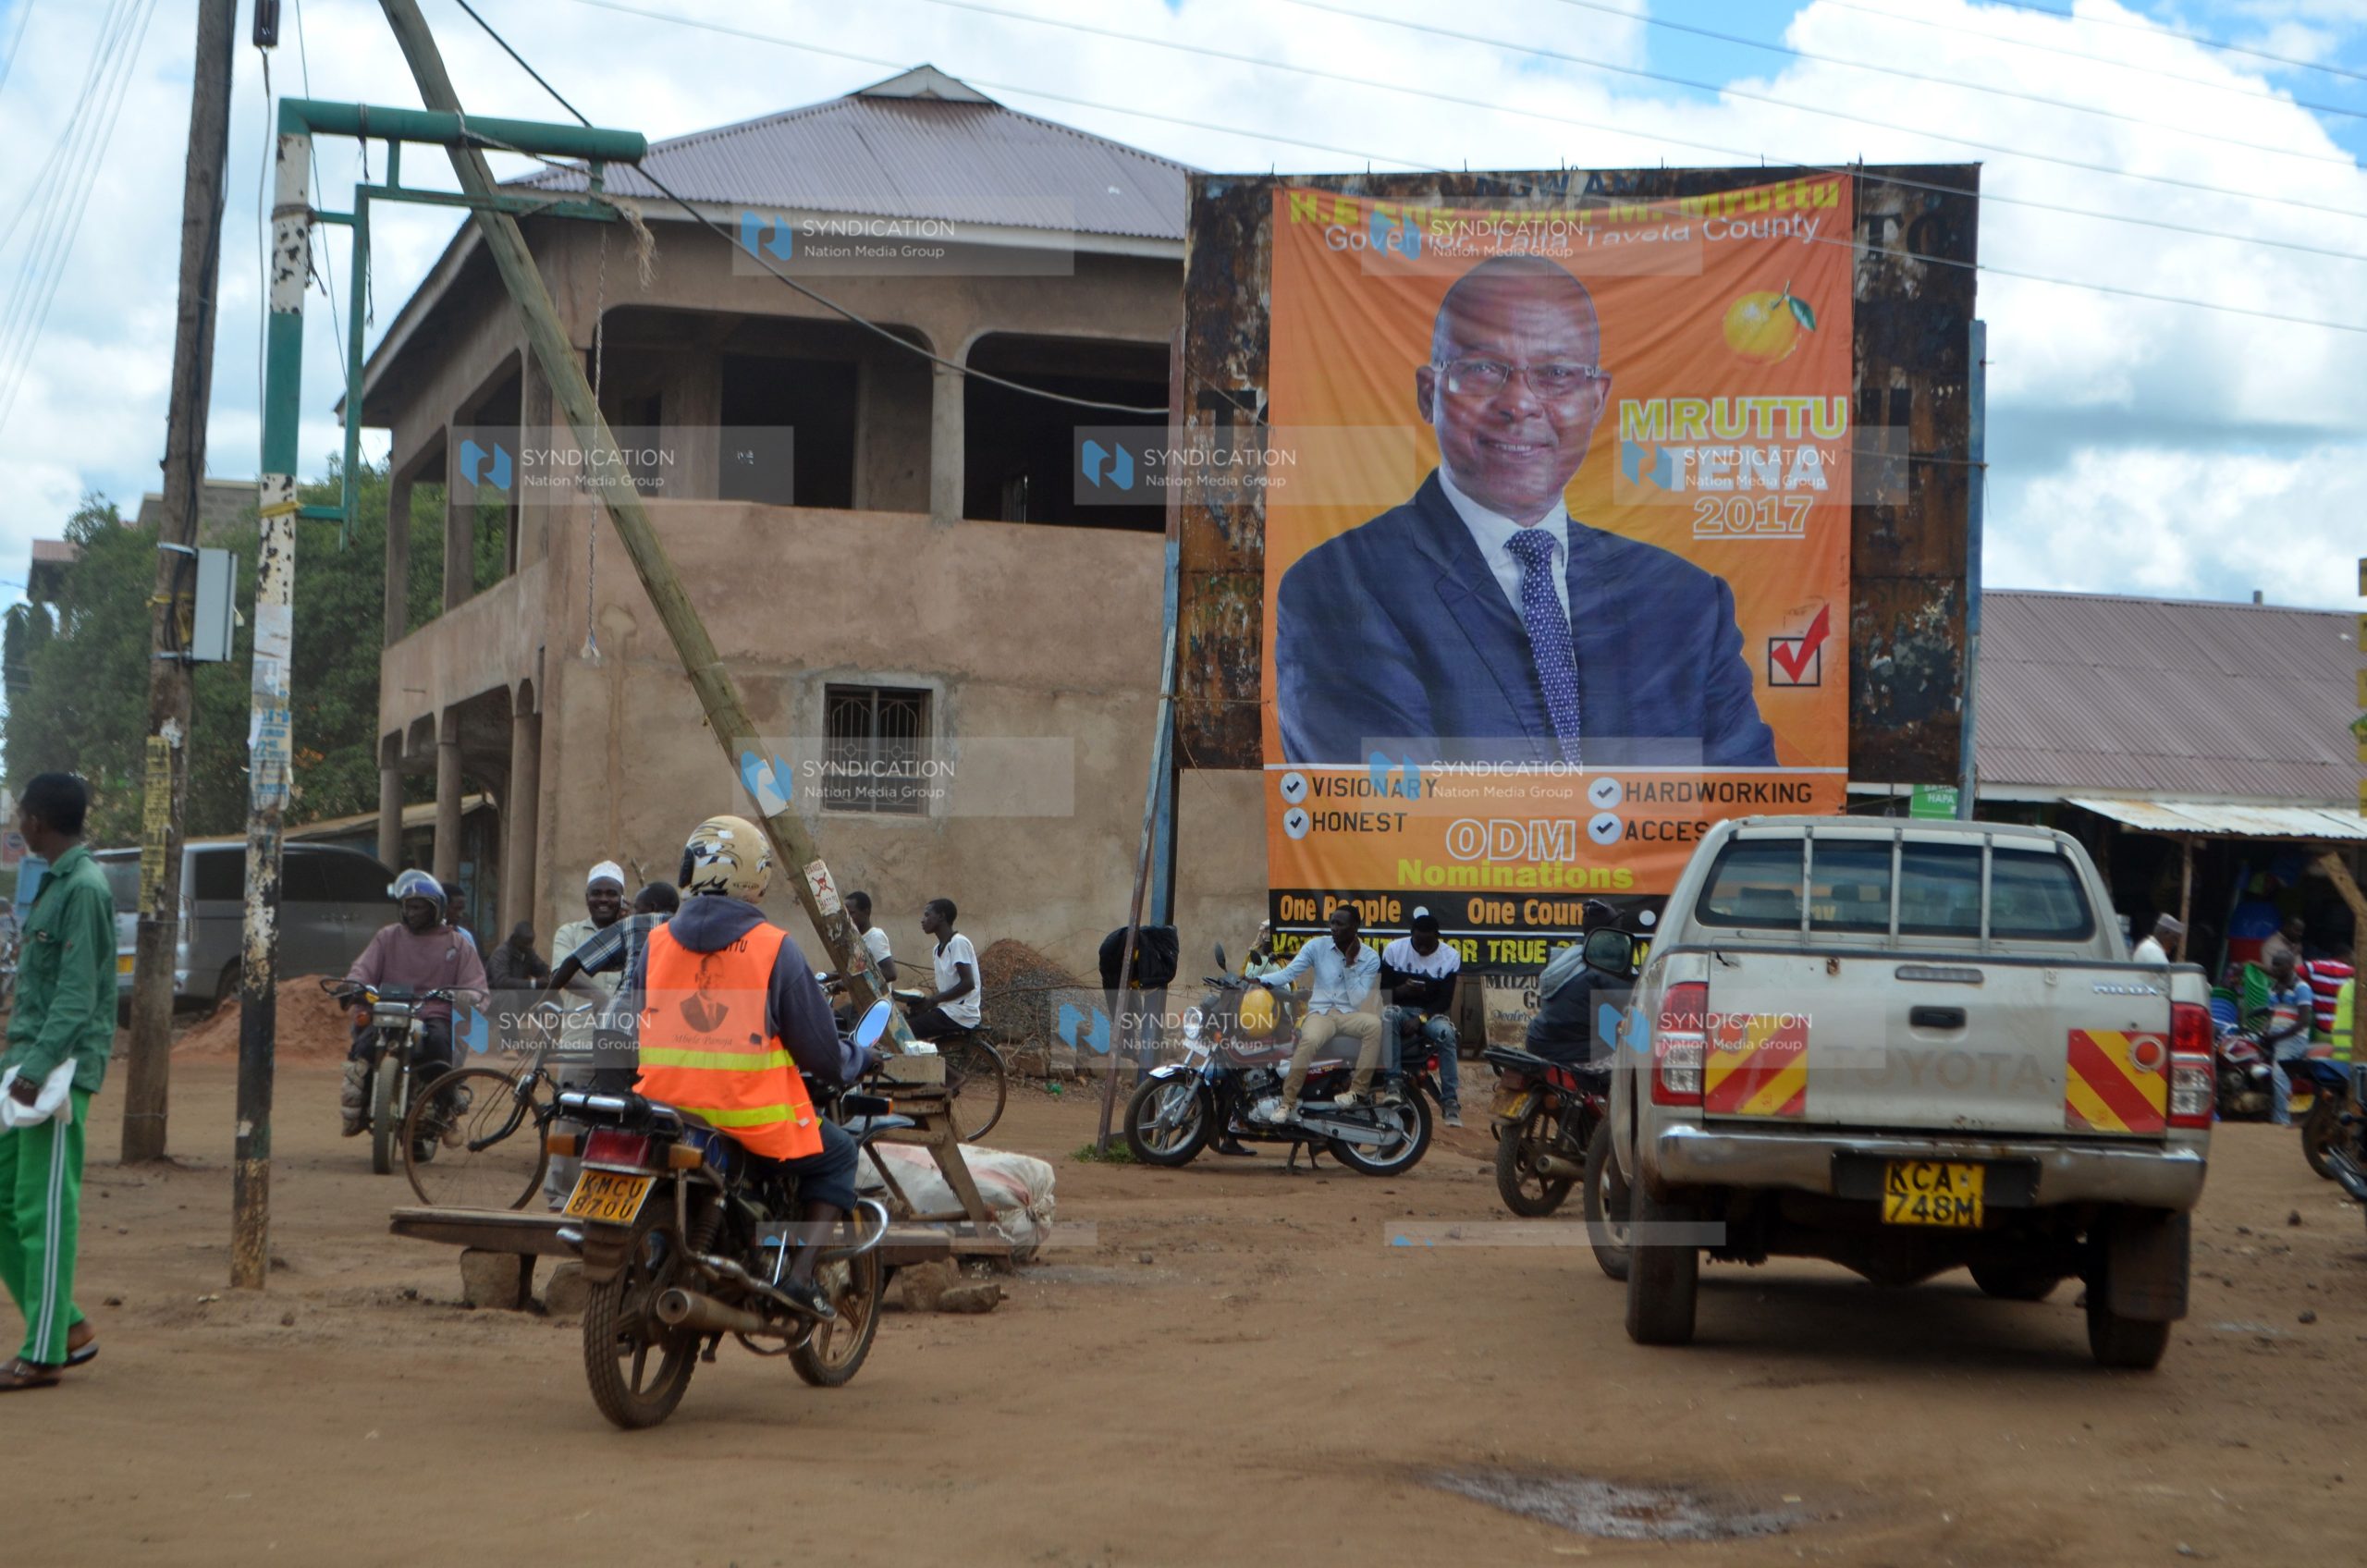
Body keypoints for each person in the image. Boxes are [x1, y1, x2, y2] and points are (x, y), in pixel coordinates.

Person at [1273, 253, 1774, 768]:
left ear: (1597, 400)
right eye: (1483, 369)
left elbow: (1749, 819)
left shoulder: (1686, 604)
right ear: (1429, 394)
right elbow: (1388, 820)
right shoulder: (1340, 587)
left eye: (1556, 374)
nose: (1520, 403)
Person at [623, 816, 872, 1321]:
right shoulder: (774, 947)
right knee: (839, 1155)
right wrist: (858, 1058)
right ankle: (800, 1281)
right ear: (755, 876)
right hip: (749, 1120)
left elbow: (629, 1025)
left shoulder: (658, 943)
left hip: (664, 1113)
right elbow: (823, 1055)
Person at [0, 775, 111, 1391]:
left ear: (38, 819)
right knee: (6, 1201)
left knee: (43, 1208)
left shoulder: (84, 888)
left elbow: (78, 995)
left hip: (57, 1072)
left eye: (21, 810)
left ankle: (44, 1354)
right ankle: (65, 1325)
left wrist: (37, 1070)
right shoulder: (56, 883)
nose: (18, 820)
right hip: (28, 1064)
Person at [339, 870, 489, 1138]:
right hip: (388, 1010)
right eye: (407, 906)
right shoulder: (388, 937)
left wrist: (469, 996)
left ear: (435, 909)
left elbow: (475, 985)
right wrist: (353, 984)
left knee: (441, 1046)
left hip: (433, 1014)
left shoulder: (457, 943)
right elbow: (363, 969)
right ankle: (358, 1110)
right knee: (362, 1048)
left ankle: (446, 1110)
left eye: (418, 906)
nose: (411, 912)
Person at [1254, 904, 1385, 1123]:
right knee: (1309, 1040)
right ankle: (1287, 1103)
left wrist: (1350, 965)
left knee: (1375, 1025)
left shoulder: (1370, 958)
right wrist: (1260, 981)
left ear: (1355, 927)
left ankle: (1357, 1092)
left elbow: (1357, 999)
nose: (1334, 928)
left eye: (1340, 924)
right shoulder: (1317, 947)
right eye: (1332, 923)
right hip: (1321, 1014)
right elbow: (1289, 973)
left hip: (1348, 1014)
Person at [1380, 907, 1463, 1127]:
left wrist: (1421, 1019)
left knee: (1447, 1034)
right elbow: (1384, 993)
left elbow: (1444, 1001)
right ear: (1411, 935)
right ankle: (1393, 1082)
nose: (1422, 948)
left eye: (1428, 944)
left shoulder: (1450, 957)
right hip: (1399, 1010)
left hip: (1430, 1015)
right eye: (1418, 943)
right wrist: (1402, 991)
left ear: (1438, 938)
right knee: (1388, 1016)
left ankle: (1450, 1100)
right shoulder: (1394, 950)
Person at [2255, 950, 2317, 1130]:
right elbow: (2274, 1014)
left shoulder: (2301, 987)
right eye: (2274, 964)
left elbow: (2304, 1020)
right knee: (2284, 1077)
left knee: (2280, 1076)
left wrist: (2276, 1036)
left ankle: (2282, 1119)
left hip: (2293, 1039)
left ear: (2290, 967)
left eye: (2278, 965)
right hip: (2279, 1039)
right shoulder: (2274, 988)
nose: (2274, 968)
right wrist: (2265, 1030)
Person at [906, 898, 982, 1043]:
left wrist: (934, 1000)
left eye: (927, 915)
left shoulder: (958, 942)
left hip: (961, 1013)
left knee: (906, 1029)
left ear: (941, 916)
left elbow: (968, 983)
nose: (923, 920)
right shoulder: (937, 949)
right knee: (904, 1020)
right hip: (947, 1009)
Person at [486, 922, 550, 991]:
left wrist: (546, 976)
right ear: (515, 939)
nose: (529, 946)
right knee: (510, 995)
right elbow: (502, 982)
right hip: (495, 995)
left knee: (549, 991)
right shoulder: (501, 953)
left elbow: (541, 967)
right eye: (525, 943)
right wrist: (533, 984)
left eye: (531, 943)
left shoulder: (527, 951)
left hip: (519, 993)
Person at [440, 882, 478, 950]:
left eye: (462, 909)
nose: (460, 915)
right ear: (443, 907)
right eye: (456, 909)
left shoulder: (465, 936)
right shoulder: (424, 936)